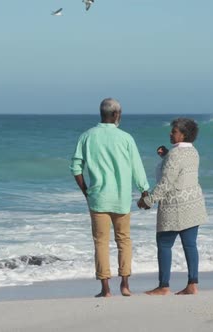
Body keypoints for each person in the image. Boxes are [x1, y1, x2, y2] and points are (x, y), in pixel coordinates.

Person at [70, 98, 150, 297]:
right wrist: (144, 190)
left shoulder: (87, 136)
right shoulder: (126, 138)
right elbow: (136, 167)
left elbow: (76, 167)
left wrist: (86, 191)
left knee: (101, 242)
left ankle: (105, 289)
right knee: (124, 240)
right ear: (116, 115)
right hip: (122, 198)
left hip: (98, 198)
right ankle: (125, 285)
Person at [138, 118, 207, 295]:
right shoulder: (193, 152)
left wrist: (148, 200)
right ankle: (193, 284)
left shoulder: (174, 155)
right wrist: (165, 156)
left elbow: (166, 183)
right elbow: (180, 169)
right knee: (190, 244)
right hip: (194, 203)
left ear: (183, 135)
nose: (170, 133)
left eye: (174, 131)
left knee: (164, 244)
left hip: (175, 206)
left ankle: (164, 286)